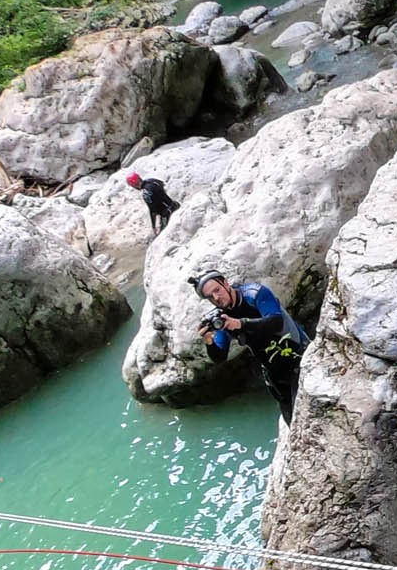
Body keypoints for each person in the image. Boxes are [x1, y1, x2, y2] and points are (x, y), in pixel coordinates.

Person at [191, 269, 310, 421]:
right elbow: (220, 356)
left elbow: (276, 322)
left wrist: (241, 324)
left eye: (217, 290)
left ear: (226, 283)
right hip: (274, 371)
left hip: (299, 355)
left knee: (309, 415)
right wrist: (209, 341)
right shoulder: (222, 319)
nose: (216, 297)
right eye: (210, 297)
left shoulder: (254, 294)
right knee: (293, 420)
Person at [125, 172, 178, 236]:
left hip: (167, 213)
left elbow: (153, 211)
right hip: (174, 204)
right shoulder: (151, 181)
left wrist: (153, 226)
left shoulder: (146, 194)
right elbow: (162, 185)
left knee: (161, 235)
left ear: (134, 185)